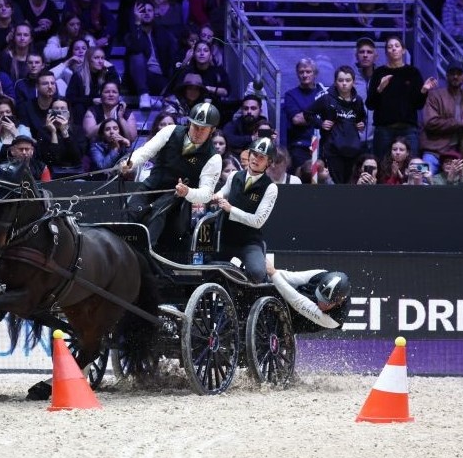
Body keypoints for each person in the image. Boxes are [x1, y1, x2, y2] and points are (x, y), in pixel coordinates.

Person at [119, 102, 223, 247]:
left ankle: (147, 253)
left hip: (178, 199)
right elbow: (146, 151)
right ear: (189, 123)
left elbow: (206, 194)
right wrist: (131, 162)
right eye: (195, 126)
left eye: (203, 129)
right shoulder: (170, 131)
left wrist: (188, 191)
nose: (197, 132)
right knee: (130, 210)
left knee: (158, 213)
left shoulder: (213, 158)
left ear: (212, 130)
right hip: (152, 186)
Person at [211, 137, 278, 282]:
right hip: (226, 239)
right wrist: (217, 196)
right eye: (254, 154)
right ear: (249, 155)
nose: (256, 159)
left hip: (250, 242)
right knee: (209, 269)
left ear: (269, 162)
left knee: (257, 273)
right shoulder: (234, 176)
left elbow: (257, 222)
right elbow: (224, 191)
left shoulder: (270, 187)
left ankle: (246, 291)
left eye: (262, 157)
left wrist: (231, 209)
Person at [365, 36, 436, 159]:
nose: (393, 49)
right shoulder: (378, 73)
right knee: (381, 166)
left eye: (397, 46)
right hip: (384, 129)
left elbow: (419, 105)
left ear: (403, 50)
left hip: (408, 129)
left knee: (413, 165)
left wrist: (424, 90)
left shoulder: (413, 72)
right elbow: (370, 104)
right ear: (386, 52)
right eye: (390, 47)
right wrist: (380, 88)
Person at [306, 65, 367, 184]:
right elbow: (308, 113)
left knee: (350, 185)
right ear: (335, 82)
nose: (344, 83)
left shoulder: (358, 100)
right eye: (340, 80)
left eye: (348, 80)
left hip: (353, 150)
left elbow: (362, 117)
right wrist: (320, 123)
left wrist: (362, 124)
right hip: (332, 151)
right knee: (336, 186)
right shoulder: (326, 99)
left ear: (353, 82)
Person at [419, 58, 463, 174]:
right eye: (452, 73)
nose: (455, 76)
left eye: (459, 73)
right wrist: (459, 122)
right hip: (432, 152)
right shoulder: (434, 95)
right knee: (422, 179)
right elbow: (430, 122)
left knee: (455, 191)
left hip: (455, 155)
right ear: (446, 75)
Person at [266, 260, 352, 331]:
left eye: (327, 303)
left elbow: (297, 302)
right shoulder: (321, 274)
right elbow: (291, 277)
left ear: (338, 303)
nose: (322, 304)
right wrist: (268, 273)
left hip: (304, 319)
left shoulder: (335, 319)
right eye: (320, 298)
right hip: (302, 296)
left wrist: (274, 275)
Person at [283, 57, 327, 173]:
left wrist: (309, 115)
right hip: (301, 146)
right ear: (297, 74)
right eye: (301, 72)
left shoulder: (323, 92)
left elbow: (331, 116)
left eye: (308, 71)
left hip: (323, 146)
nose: (305, 75)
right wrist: (319, 114)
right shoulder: (290, 95)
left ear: (315, 73)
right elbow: (297, 119)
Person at [0, 96, 32, 168]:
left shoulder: (23, 130)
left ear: (12, 114)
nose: (4, 115)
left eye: (8, 112)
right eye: (0, 113)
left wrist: (15, 133)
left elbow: (28, 155)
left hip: (21, 169)